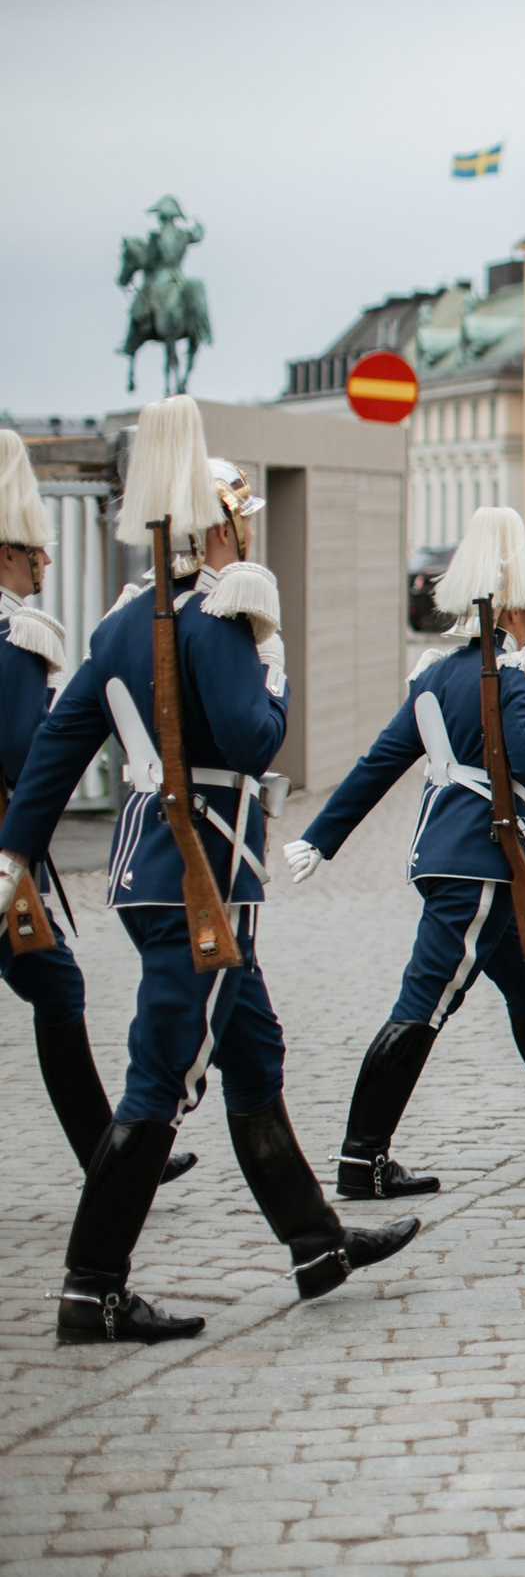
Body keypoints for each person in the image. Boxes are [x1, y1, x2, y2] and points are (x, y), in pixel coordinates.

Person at [3, 395, 417, 1343]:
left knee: (252, 1054)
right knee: (162, 1081)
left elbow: (57, 757)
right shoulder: (222, 619)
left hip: (148, 874)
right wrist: (269, 666)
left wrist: (14, 854)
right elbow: (251, 735)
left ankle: (314, 1243)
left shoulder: (119, 630)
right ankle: (91, 1283)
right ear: (219, 527)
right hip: (204, 879)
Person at [284, 506, 525, 1199]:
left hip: (449, 853)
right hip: (484, 864)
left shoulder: (433, 678)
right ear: (517, 607)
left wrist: (321, 837)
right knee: (423, 1003)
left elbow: (379, 763)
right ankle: (361, 1157)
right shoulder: (514, 679)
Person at [0, 430, 194, 1186]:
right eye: (35, 549)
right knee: (59, 987)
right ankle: (108, 1158)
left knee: (57, 984)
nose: (46, 561)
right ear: (9, 550)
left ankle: (104, 1154)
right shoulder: (18, 631)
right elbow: (26, 752)